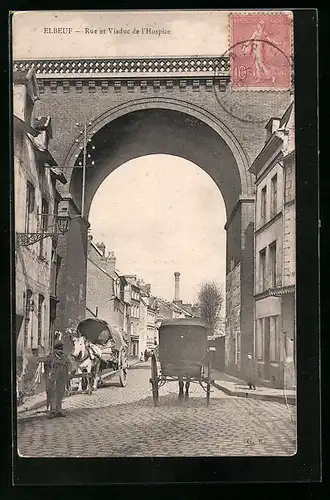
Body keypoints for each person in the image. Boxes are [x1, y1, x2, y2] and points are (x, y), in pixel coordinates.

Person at [40, 339, 70, 418]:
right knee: (53, 393)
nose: (60, 351)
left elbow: (68, 365)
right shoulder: (51, 357)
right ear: (55, 349)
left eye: (61, 349)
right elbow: (46, 366)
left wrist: (68, 375)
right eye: (58, 349)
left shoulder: (65, 356)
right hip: (53, 378)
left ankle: (59, 410)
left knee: (61, 393)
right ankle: (52, 411)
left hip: (62, 377)